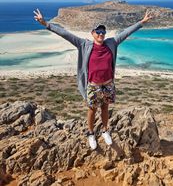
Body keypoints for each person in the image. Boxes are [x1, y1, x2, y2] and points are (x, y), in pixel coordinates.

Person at [33, 8, 154, 150]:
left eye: (103, 32)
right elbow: (65, 34)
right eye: (98, 32)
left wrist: (142, 22)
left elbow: (126, 32)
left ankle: (104, 130)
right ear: (92, 33)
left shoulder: (112, 43)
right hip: (93, 85)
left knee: (105, 108)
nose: (101, 34)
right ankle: (90, 133)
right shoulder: (84, 44)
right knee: (91, 109)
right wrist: (46, 24)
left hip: (108, 84)